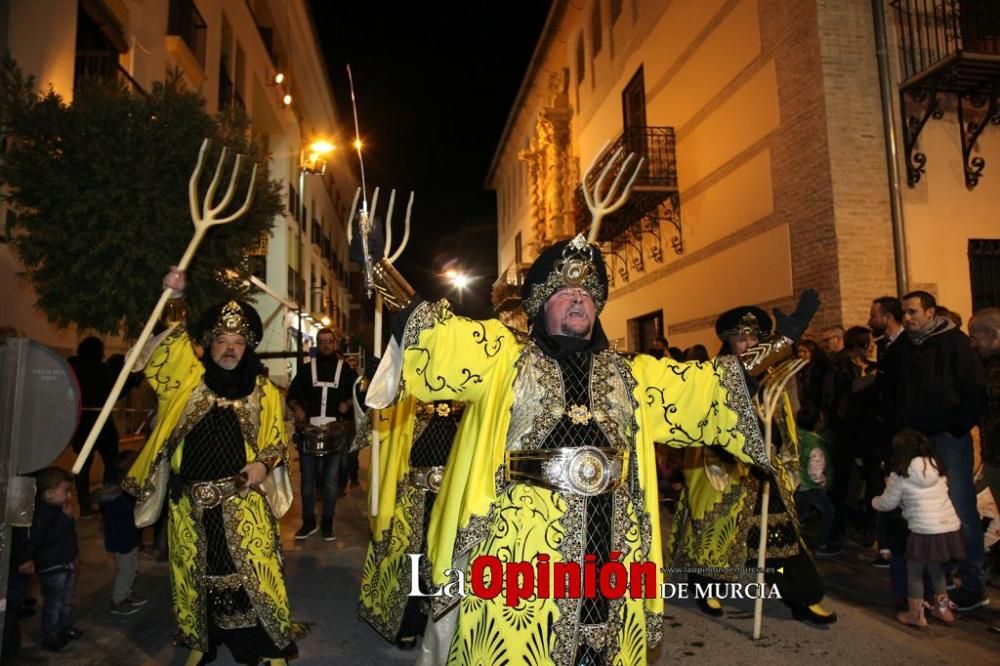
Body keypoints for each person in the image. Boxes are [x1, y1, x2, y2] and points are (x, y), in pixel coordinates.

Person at [359, 225, 819, 664]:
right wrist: (381, 269)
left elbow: (712, 386)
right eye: (564, 291)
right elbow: (437, 335)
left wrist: (781, 342)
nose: (577, 297)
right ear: (541, 304)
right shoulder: (504, 356)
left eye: (586, 293)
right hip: (522, 551)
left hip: (613, 539)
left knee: (601, 644)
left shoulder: (634, 373)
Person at [123, 267, 296, 665]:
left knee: (254, 577)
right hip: (191, 506)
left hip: (242, 502)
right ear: (209, 344)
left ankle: (266, 647)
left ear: (248, 347)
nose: (230, 349)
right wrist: (173, 298)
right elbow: (163, 353)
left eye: (238, 342)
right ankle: (202, 643)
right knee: (197, 580)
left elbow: (275, 441)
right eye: (222, 341)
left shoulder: (265, 391)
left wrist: (263, 467)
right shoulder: (186, 381)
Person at [667, 306, 837, 623]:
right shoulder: (714, 374)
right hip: (725, 468)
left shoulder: (772, 379)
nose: (747, 345)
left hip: (763, 468)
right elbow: (703, 421)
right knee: (719, 531)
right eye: (740, 339)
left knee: (779, 534)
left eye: (753, 339)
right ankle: (706, 586)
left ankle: (801, 597)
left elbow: (784, 422)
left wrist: (780, 455)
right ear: (728, 341)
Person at [887, 290, 987, 612]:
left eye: (913, 312)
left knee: (959, 508)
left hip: (947, 438)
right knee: (922, 511)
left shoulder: (954, 343)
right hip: (915, 442)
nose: (907, 317)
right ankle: (936, 583)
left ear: (930, 312)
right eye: (904, 312)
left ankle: (973, 583)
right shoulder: (905, 346)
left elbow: (974, 390)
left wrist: (957, 426)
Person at [358, 397, 466, 650]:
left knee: (450, 553)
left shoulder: (471, 370)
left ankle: (443, 624)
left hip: (456, 488)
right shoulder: (415, 371)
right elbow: (380, 412)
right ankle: (409, 623)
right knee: (411, 554)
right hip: (413, 487)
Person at [872, 429, 965, 626]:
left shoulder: (901, 473)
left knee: (914, 570)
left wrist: (875, 502)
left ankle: (915, 614)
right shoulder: (935, 465)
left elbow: (888, 503)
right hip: (947, 527)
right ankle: (942, 609)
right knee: (936, 568)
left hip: (924, 530)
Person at [287, 328, 357, 541]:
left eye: (329, 341)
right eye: (322, 341)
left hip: (335, 432)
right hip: (310, 431)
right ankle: (308, 522)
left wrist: (348, 403)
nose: (325, 345)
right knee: (307, 481)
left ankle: (327, 523)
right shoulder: (307, 370)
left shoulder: (346, 370)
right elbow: (291, 396)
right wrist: (296, 408)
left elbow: (359, 396)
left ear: (335, 343)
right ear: (318, 344)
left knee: (330, 482)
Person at [30, 467, 82, 652]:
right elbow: (45, 539)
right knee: (54, 603)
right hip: (52, 567)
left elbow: (69, 537)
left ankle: (64, 628)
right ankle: (50, 635)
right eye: (65, 491)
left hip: (66, 562)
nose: (69, 495)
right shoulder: (42, 514)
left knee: (67, 600)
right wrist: (65, 519)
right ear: (49, 494)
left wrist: (75, 556)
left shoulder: (60, 509)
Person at [68, 336, 121, 517]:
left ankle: (84, 505)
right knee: (112, 464)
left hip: (83, 424)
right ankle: (108, 500)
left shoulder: (72, 368)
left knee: (83, 467)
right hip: (103, 424)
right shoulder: (102, 369)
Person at [94, 449, 148, 615]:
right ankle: (118, 600)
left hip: (129, 537)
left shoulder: (125, 490)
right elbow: (116, 522)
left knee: (132, 568)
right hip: (122, 539)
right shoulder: (118, 495)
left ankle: (127, 593)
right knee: (125, 570)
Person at [795, 405, 836, 552]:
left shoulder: (796, 436)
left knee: (801, 513)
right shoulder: (814, 443)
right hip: (811, 485)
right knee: (828, 511)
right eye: (821, 419)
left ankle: (791, 541)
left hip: (799, 482)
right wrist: (823, 481)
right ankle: (823, 544)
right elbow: (815, 468)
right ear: (816, 423)